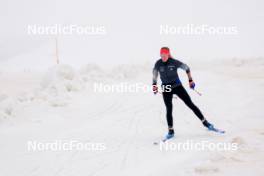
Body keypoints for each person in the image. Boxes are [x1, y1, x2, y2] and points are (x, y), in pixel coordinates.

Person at [152, 47, 214, 139]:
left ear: (168, 54)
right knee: (169, 108)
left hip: (177, 86)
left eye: (165, 55)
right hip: (166, 87)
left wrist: (190, 80)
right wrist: (154, 85)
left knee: (190, 104)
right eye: (162, 55)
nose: (163, 57)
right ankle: (171, 131)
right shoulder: (158, 63)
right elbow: (155, 73)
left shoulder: (174, 62)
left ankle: (206, 123)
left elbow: (187, 68)